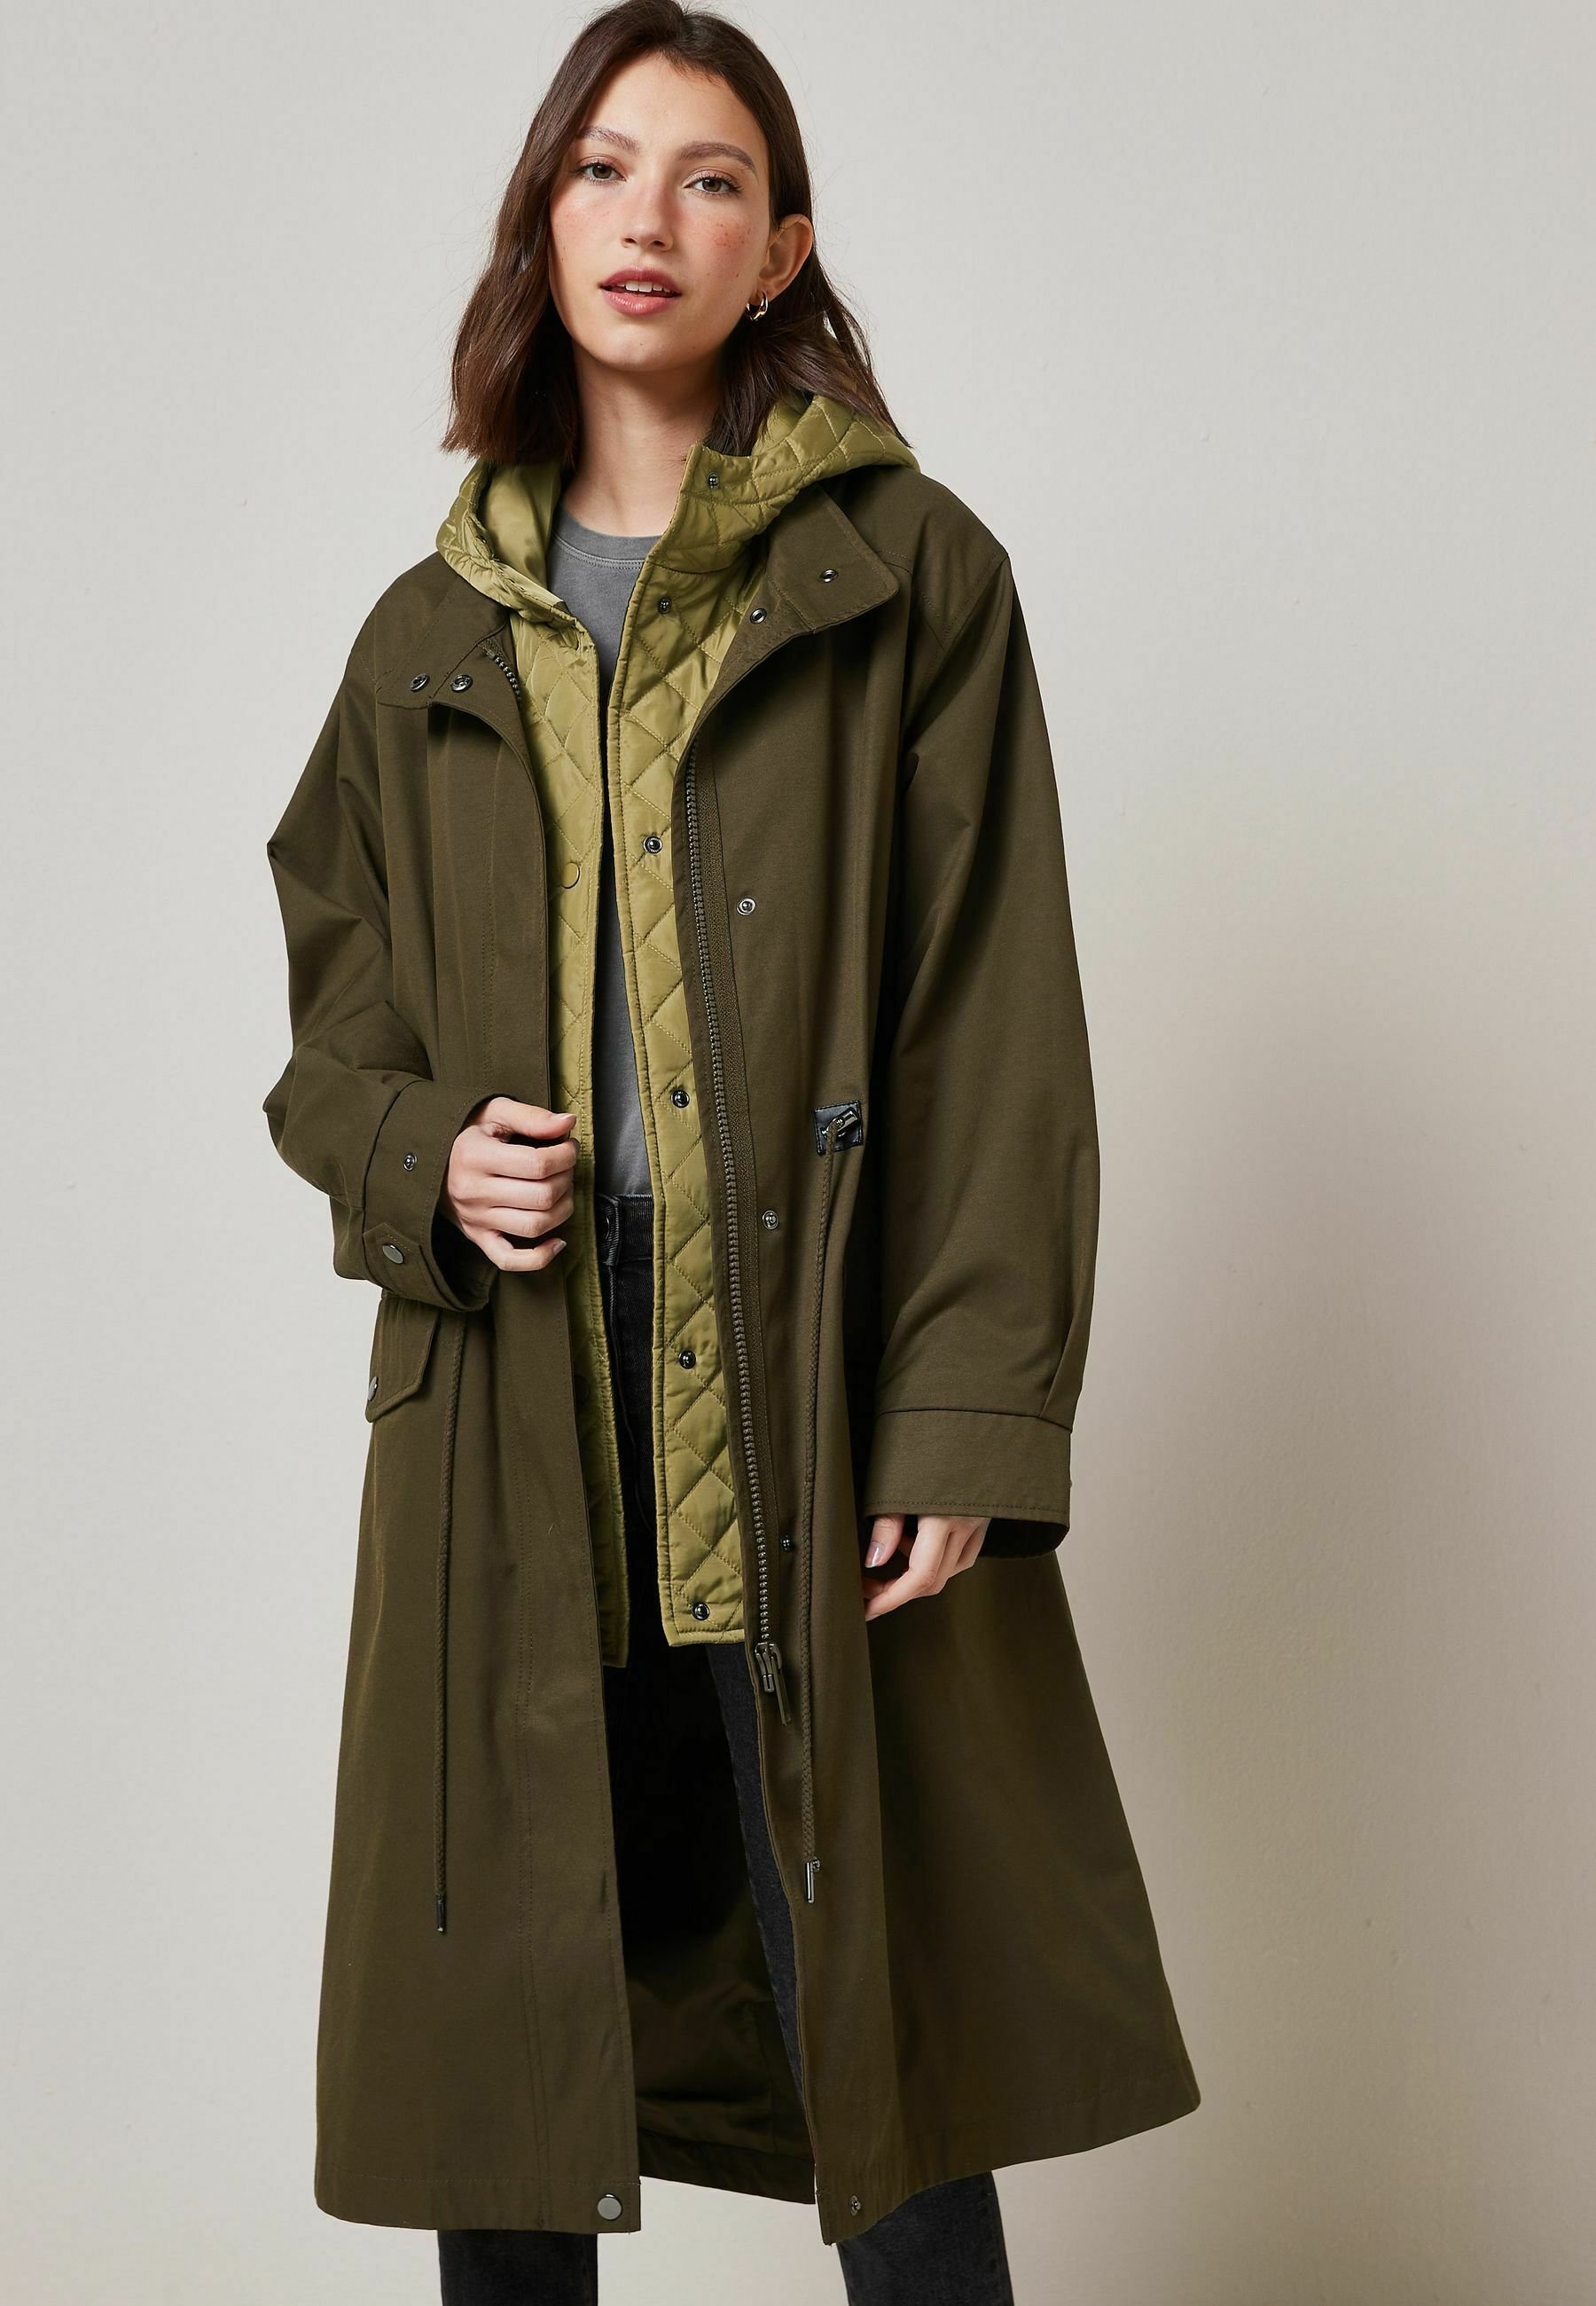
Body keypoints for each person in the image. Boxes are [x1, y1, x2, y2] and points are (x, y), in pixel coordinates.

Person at [261, 4, 1201, 2300]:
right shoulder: (424, 638)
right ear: (541, 224)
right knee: (507, 2033)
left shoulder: (908, 577)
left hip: (803, 1371)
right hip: (512, 1399)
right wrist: (421, 1158)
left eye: (707, 179)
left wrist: (963, 1416)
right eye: (599, 170)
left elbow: (995, 1016)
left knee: (880, 2008)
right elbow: (333, 1029)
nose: (646, 221)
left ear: (780, 248)